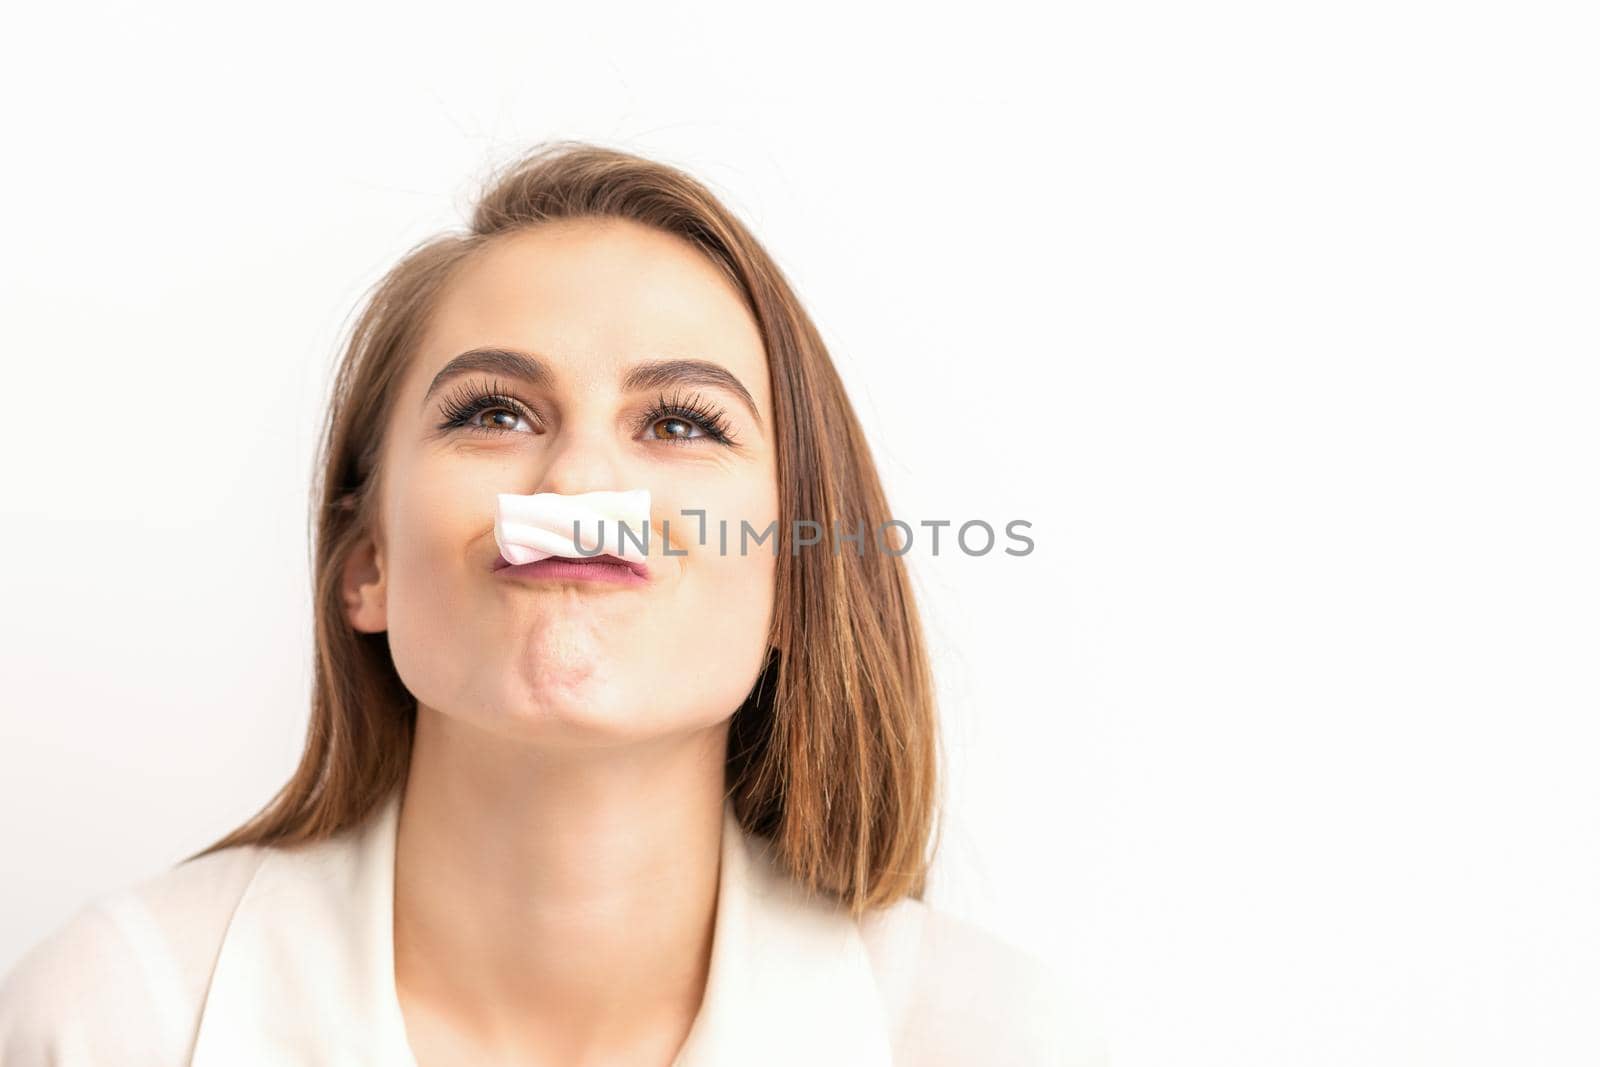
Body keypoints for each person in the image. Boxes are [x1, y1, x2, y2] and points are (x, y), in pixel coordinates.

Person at [0, 140, 1102, 1066]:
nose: (578, 487)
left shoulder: (998, 1038)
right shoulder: (113, 1017)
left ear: (795, 582)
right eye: (493, 413)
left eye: (679, 423)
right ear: (365, 564)